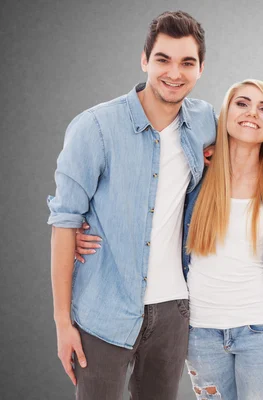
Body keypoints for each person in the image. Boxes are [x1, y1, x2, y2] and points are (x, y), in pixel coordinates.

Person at [47, 11, 216, 399]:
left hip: (175, 311)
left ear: (201, 68)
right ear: (144, 60)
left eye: (187, 62)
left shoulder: (204, 120)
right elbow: (64, 223)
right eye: (163, 59)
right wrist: (61, 322)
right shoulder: (96, 128)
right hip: (103, 310)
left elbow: (251, 142)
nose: (175, 73)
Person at [182, 79, 263, 399]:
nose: (253, 112)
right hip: (200, 331)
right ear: (224, 114)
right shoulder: (195, 174)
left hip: (262, 330)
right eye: (242, 103)